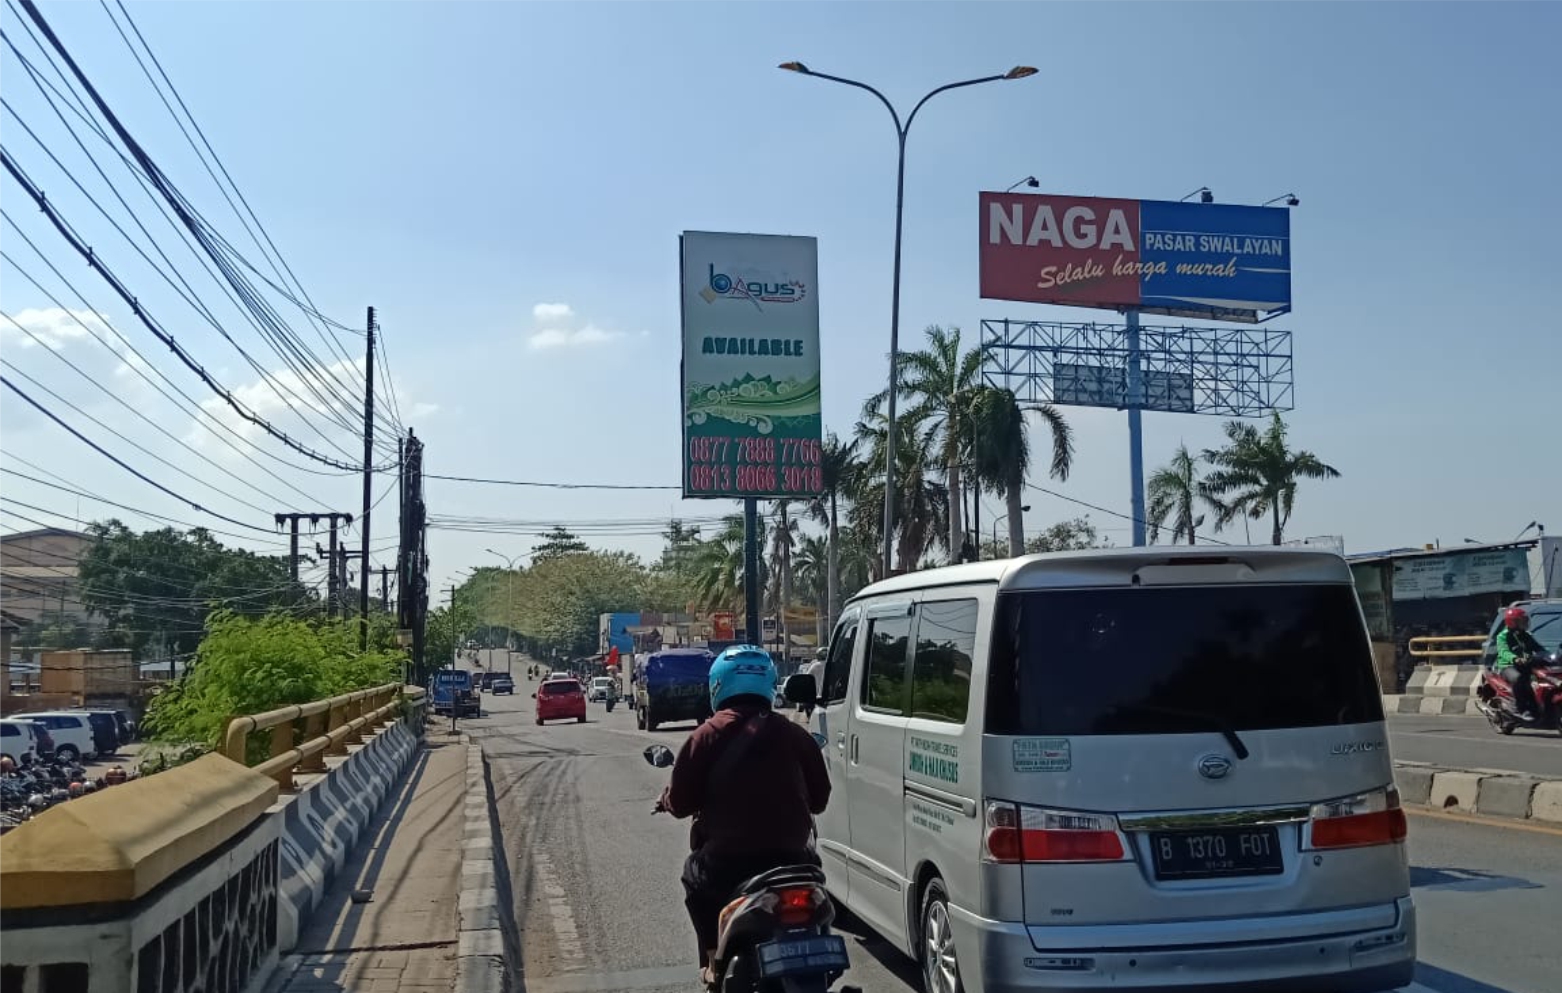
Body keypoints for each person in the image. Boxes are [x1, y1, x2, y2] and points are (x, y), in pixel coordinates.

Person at [657, 645, 830, 982]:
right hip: (793, 859)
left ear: (717, 685)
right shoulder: (795, 734)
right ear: (769, 684)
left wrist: (666, 800)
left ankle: (713, 962)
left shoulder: (705, 736)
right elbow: (820, 800)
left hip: (726, 864)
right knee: (817, 886)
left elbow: (680, 804)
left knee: (694, 877)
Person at [1494, 607, 1546, 719]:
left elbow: (1539, 648)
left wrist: (1547, 655)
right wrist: (1515, 658)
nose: (1525, 623)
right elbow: (1503, 651)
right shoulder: (1503, 636)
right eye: (1522, 620)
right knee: (1518, 679)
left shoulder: (1526, 635)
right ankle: (1521, 708)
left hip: (1525, 664)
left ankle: (1540, 706)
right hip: (1508, 666)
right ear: (1512, 622)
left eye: (1525, 620)